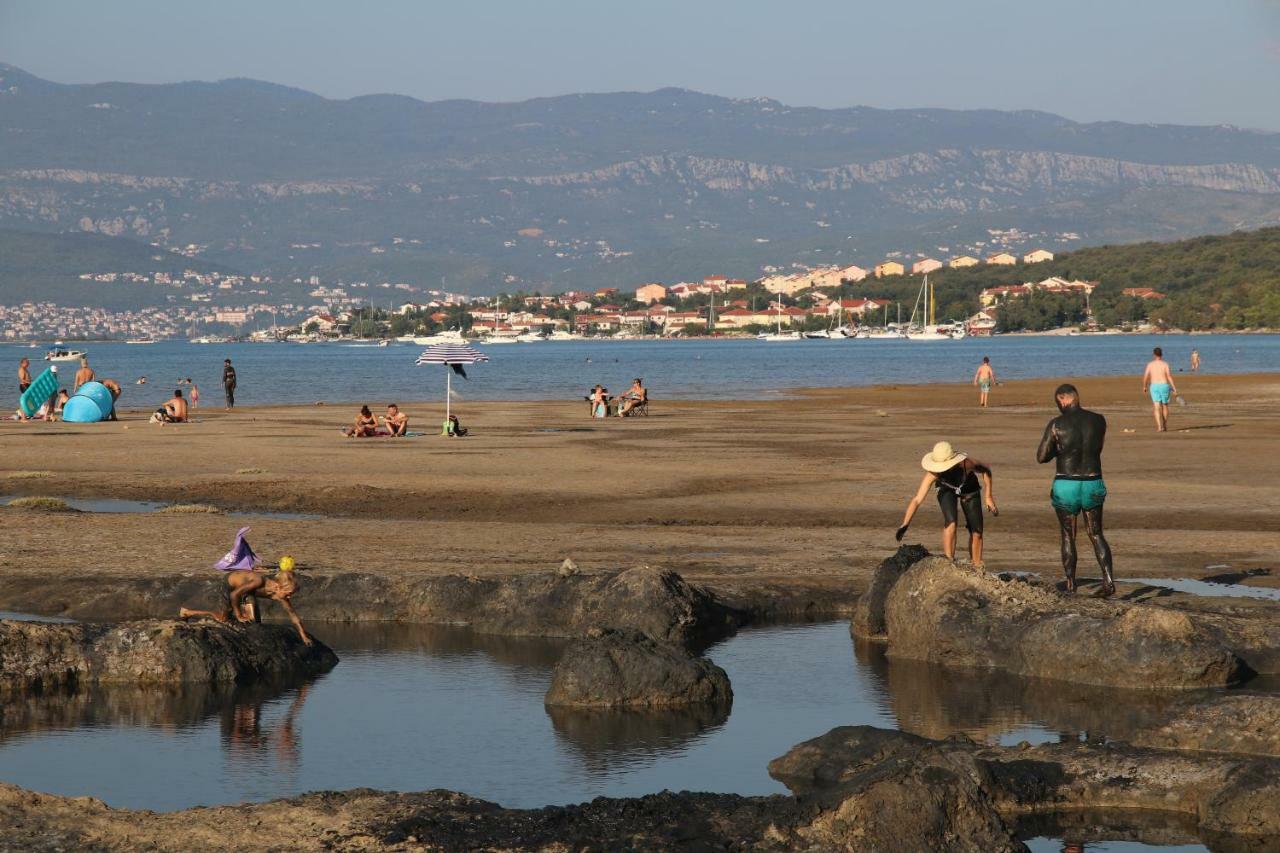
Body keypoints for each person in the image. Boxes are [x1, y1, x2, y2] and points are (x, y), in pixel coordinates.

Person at [1036, 383, 1114, 596]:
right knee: (1096, 533)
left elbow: (1041, 456)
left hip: (1066, 482)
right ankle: (1108, 580)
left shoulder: (1056, 424)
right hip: (1093, 481)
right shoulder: (1099, 421)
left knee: (1068, 535)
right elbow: (1097, 449)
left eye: (1057, 402)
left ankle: (1070, 584)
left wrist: (1058, 450)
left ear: (1063, 399)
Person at [896, 441, 998, 564]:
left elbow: (986, 469)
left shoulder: (967, 464)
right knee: (951, 523)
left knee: (977, 531)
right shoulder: (934, 473)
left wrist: (988, 496)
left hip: (969, 487)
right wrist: (905, 524)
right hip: (946, 488)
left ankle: (977, 567)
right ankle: (949, 562)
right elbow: (917, 499)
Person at [179, 555, 313, 645]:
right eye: (288, 594)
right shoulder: (258, 581)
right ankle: (188, 612)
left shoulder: (279, 594)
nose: (289, 597)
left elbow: (293, 615)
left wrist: (303, 635)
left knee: (253, 623)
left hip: (246, 592)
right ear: (278, 586)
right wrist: (238, 614)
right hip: (231, 587)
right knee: (223, 619)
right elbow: (234, 595)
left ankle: (240, 616)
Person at [1141, 346, 1178, 433]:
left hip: (1154, 386)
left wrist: (1144, 386)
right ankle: (1164, 425)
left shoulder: (1150, 364)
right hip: (1164, 385)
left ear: (1154, 354)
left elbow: (1146, 376)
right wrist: (1174, 388)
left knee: (1156, 406)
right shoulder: (1165, 364)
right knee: (1165, 405)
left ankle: (1159, 427)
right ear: (1161, 354)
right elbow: (1169, 376)